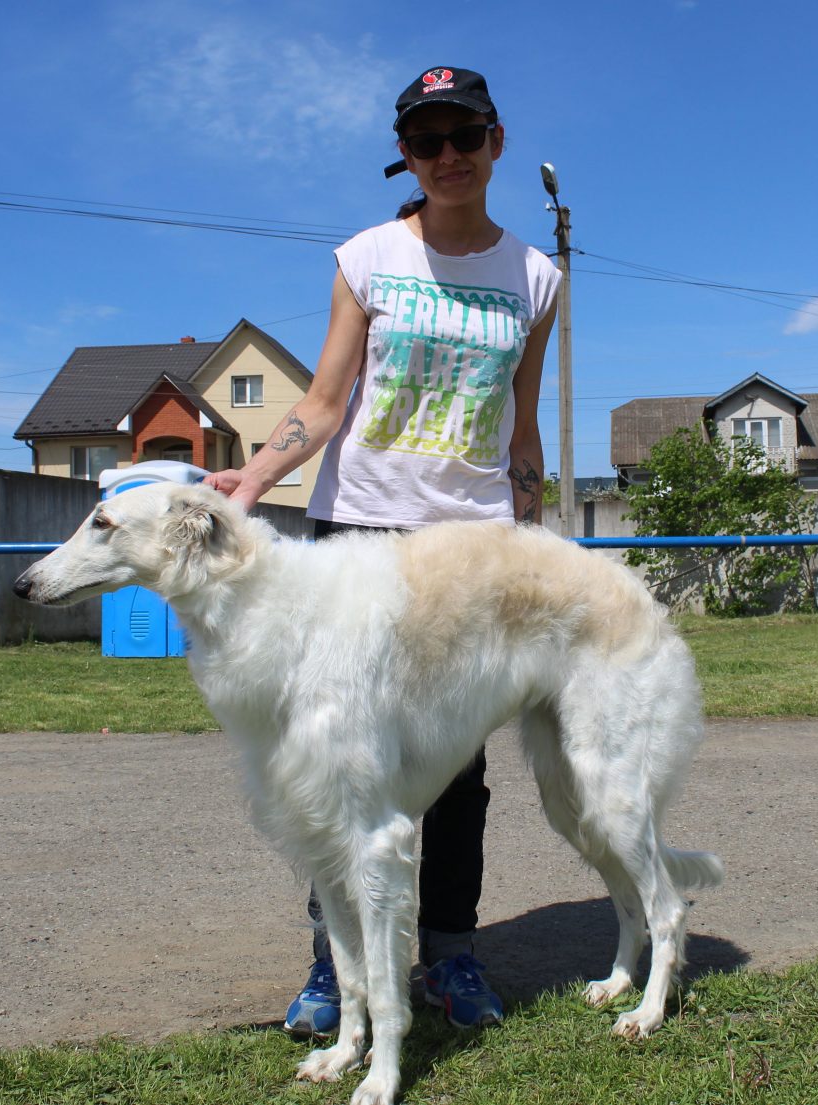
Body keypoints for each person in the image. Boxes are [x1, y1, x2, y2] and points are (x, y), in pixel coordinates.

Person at [205, 65, 560, 1036]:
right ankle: (339, 961)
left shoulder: (536, 280)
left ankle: (448, 953)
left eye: (463, 136)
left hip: (470, 550)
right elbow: (322, 404)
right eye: (424, 141)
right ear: (405, 154)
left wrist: (531, 550)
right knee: (344, 754)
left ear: (495, 141)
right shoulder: (366, 258)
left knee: (455, 765)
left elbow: (521, 435)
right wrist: (250, 477)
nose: (445, 156)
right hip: (357, 531)